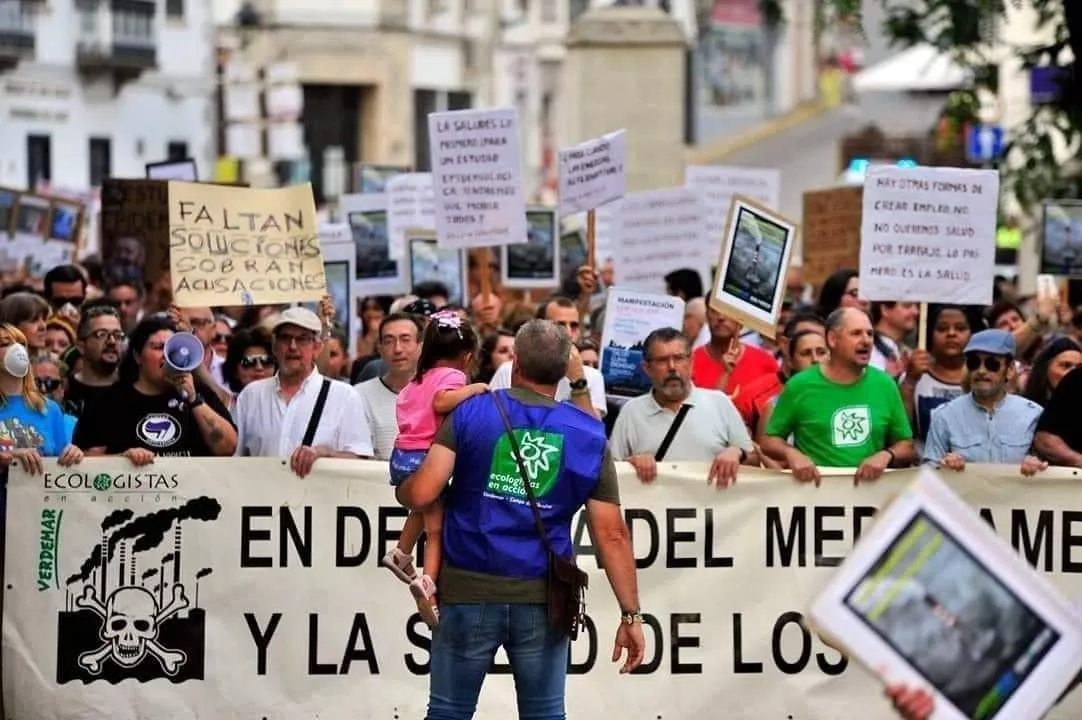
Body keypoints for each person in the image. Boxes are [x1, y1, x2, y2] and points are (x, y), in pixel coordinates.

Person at [398, 319, 644, 718]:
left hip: (466, 589)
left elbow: (424, 492)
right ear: (566, 369)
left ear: (514, 362)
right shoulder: (589, 434)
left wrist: (401, 489)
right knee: (545, 714)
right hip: (542, 597)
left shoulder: (471, 411)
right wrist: (631, 614)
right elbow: (611, 535)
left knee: (447, 712)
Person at [382, 311, 488, 627]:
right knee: (436, 529)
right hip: (424, 461)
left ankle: (401, 553)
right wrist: (475, 389)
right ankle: (428, 582)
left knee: (421, 508)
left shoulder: (416, 381)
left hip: (400, 458)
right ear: (467, 356)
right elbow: (441, 403)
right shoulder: (453, 377)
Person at [762, 308, 915, 484]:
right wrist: (791, 454)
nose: (866, 341)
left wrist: (886, 455)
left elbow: (907, 446)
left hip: (868, 498)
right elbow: (768, 441)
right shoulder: (799, 385)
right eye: (856, 334)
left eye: (870, 334)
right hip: (816, 498)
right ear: (833, 339)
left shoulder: (885, 385)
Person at [73, 315, 237, 462]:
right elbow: (88, 460)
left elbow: (227, 448)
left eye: (172, 348)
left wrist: (194, 400)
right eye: (159, 347)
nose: (167, 355)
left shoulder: (200, 394)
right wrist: (121, 459)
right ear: (138, 356)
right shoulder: (110, 403)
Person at [233, 307, 373, 476]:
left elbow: (362, 464)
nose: (292, 347)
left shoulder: (344, 397)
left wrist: (325, 453)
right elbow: (234, 458)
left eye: (302, 339)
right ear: (275, 346)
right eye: (285, 338)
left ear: (317, 348)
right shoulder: (251, 396)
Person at [610, 327, 756, 484]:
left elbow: (756, 462)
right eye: (662, 360)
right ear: (647, 368)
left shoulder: (719, 403)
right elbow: (611, 473)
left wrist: (737, 452)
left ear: (691, 362)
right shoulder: (631, 412)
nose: (672, 367)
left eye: (679, 358)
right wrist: (631, 464)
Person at [922, 329, 1046, 475]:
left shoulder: (1033, 414)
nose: (981, 371)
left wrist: (1036, 463)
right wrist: (944, 465)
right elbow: (928, 475)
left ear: (1010, 369)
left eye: (991, 364)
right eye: (974, 363)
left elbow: (1052, 473)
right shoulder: (944, 415)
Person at [0, 324, 83, 472]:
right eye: (5, 344)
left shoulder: (49, 409)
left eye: (21, 343)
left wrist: (73, 455)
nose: (17, 348)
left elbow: (60, 467)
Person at [354, 313, 423, 461]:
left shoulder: (440, 394)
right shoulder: (359, 395)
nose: (397, 349)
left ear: (420, 345)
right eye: (389, 341)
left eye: (405, 340)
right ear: (379, 348)